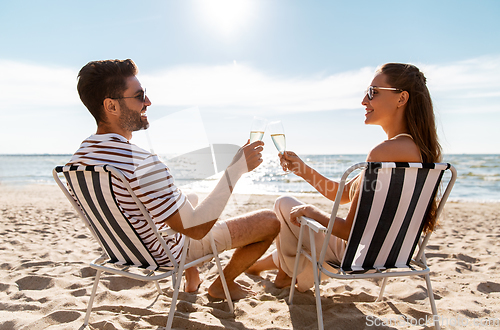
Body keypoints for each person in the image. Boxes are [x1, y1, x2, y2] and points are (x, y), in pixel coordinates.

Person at [68, 59, 280, 300]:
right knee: (270, 221)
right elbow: (197, 229)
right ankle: (223, 283)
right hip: (165, 254)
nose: (148, 102)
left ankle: (192, 277)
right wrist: (235, 171)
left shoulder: (79, 159)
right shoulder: (142, 163)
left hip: (122, 250)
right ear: (111, 106)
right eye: (139, 96)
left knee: (189, 197)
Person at [247, 63, 442, 292]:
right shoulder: (421, 152)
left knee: (283, 204)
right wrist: (302, 169)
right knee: (295, 224)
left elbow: (348, 231)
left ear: (401, 98)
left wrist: (312, 211)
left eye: (373, 92)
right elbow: (341, 195)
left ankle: (287, 275)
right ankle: (276, 272)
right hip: (391, 255)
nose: (364, 101)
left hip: (358, 256)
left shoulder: (383, 153)